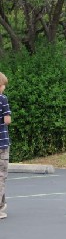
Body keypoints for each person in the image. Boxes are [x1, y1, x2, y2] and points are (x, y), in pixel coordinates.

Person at [0, 72, 11, 220]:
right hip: (1, 142)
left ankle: (3, 203)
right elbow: (7, 120)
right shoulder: (2, 99)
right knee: (1, 175)